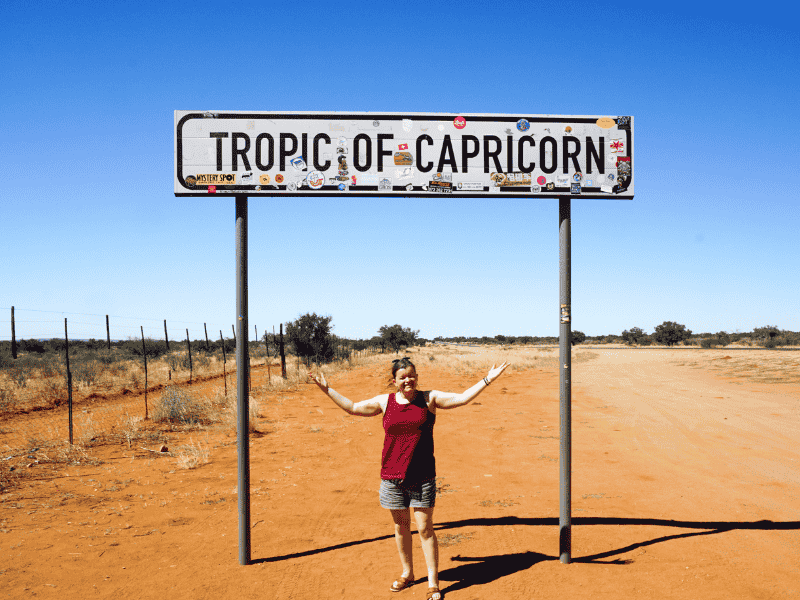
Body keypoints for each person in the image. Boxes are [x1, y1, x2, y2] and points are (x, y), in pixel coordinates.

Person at [308, 356, 510, 600]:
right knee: (401, 527)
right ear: (394, 380)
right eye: (402, 377)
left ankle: (433, 582)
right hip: (392, 478)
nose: (408, 380)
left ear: (417, 377)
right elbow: (352, 407)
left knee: (425, 528)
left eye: (412, 375)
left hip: (422, 477)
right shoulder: (385, 402)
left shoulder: (429, 399)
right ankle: (408, 573)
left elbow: (462, 398)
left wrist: (487, 379)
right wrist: (327, 389)